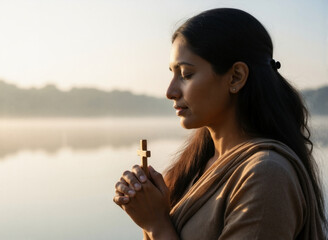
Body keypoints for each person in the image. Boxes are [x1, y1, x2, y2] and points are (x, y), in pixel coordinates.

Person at [113, 8, 327, 240]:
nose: (170, 91)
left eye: (186, 74)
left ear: (235, 77)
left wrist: (156, 223)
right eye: (172, 74)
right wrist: (151, 211)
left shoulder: (267, 175)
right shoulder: (200, 165)